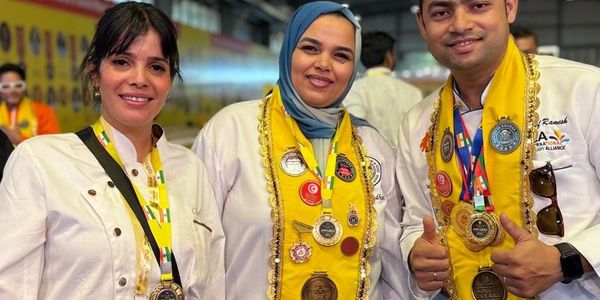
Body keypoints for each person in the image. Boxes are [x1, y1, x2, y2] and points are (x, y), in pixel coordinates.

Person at [0, 2, 224, 299]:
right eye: (122, 62)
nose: (140, 79)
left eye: (156, 67)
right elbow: (11, 288)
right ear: (95, 73)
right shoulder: (39, 163)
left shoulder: (191, 168)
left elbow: (212, 286)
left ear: (170, 82)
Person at [192, 1, 408, 299]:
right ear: (288, 51)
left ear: (353, 67)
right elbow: (199, 252)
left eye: (341, 55)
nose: (324, 63)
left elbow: (392, 268)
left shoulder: (373, 146)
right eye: (310, 48)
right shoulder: (230, 131)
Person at [398, 0, 600, 299]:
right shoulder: (418, 122)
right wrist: (416, 251)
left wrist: (567, 260)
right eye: (441, 12)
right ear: (423, 25)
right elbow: (416, 219)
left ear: (509, 8)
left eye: (478, 6)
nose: (460, 24)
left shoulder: (583, 89)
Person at [344, 31, 423, 149]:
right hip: (408, 164)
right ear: (389, 57)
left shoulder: (353, 91)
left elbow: (355, 133)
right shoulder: (412, 92)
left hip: (369, 164)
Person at [0, 63, 60, 145]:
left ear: (25, 86)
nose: (12, 91)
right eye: (6, 86)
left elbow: (53, 145)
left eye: (18, 85)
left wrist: (19, 139)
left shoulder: (44, 112)